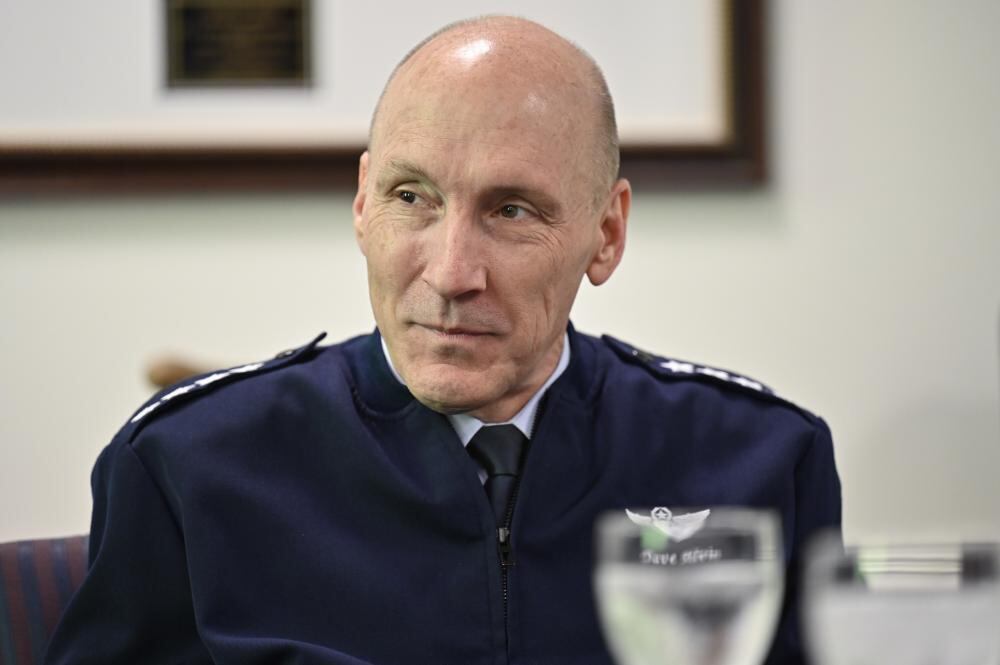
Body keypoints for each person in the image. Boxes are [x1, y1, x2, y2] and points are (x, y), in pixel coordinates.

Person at [45, 16, 840, 665]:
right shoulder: (188, 465)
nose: (452, 272)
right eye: (411, 196)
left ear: (606, 233)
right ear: (362, 204)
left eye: (512, 211)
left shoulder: (759, 459)